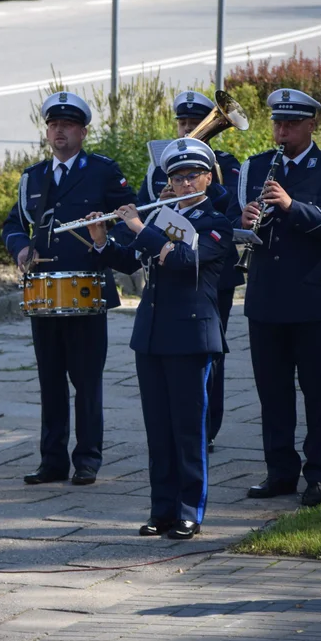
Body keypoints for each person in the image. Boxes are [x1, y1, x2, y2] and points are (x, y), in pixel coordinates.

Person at [88, 138, 233, 539]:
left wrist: (138, 226)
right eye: (177, 177)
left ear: (207, 177)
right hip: (151, 336)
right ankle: (162, 508)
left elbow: (186, 261)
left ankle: (190, 510)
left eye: (192, 176)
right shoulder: (160, 218)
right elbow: (133, 259)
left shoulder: (215, 223)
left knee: (189, 429)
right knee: (159, 429)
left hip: (191, 336)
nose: (185, 184)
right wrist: (103, 239)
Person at [2, 91, 136, 487]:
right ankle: (52, 460)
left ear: (82, 131)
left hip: (86, 287)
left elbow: (128, 218)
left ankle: (88, 458)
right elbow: (13, 223)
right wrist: (20, 246)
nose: (59, 131)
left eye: (68, 125)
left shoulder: (103, 171)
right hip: (44, 290)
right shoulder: (33, 176)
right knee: (50, 382)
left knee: (86, 381)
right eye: (54, 125)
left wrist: (103, 241)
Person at [237, 88, 321, 507]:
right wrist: (244, 220)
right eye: (277, 123)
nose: (282, 131)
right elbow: (239, 229)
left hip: (313, 301)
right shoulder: (255, 167)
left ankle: (319, 474)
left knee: (317, 391)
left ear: (311, 125)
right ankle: (280, 471)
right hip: (265, 297)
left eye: (290, 124)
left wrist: (291, 206)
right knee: (272, 393)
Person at [136, 90, 243, 452]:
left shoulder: (223, 166)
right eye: (181, 123)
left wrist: (142, 228)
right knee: (161, 422)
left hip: (207, 282)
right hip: (162, 308)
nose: (185, 129)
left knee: (202, 377)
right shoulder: (160, 167)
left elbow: (224, 214)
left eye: (192, 124)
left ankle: (207, 428)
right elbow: (138, 236)